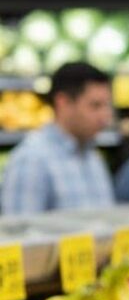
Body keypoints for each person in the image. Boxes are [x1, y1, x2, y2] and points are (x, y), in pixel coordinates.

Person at [1, 62, 114, 214]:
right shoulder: (31, 159)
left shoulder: (92, 156)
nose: (105, 117)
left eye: (107, 106)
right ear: (63, 102)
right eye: (95, 106)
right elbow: (20, 226)